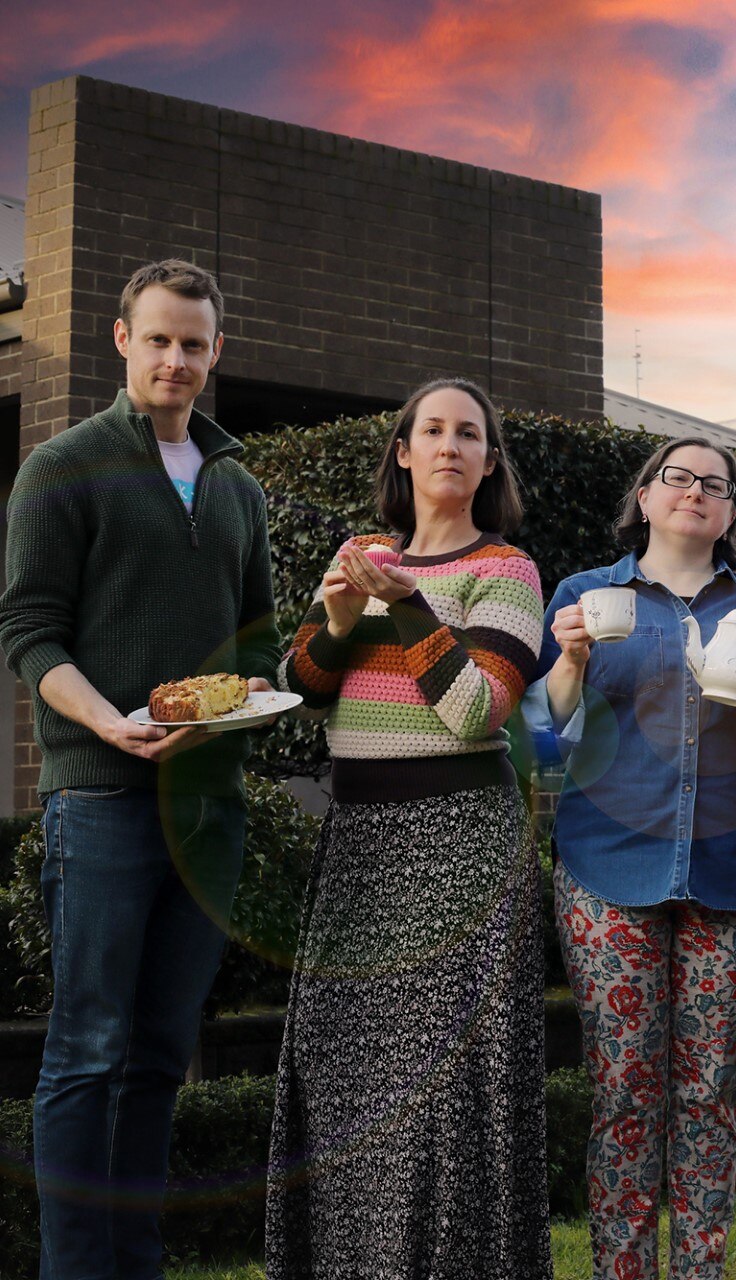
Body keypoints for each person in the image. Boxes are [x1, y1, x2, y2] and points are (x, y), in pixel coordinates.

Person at [0, 259, 277, 1277]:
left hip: (208, 810)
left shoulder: (237, 484)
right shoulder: (62, 467)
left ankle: (136, 1260)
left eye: (194, 343)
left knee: (161, 1054)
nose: (176, 359)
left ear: (215, 351)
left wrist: (226, 713)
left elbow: (257, 650)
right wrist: (108, 722)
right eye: (158, 338)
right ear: (121, 339)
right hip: (105, 800)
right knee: (86, 1053)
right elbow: (28, 629)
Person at [266, 376, 550, 1278]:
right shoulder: (360, 557)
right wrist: (343, 609)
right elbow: (302, 688)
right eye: (433, 430)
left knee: (443, 1098)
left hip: (460, 844)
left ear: (488, 462)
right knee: (343, 1078)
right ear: (403, 450)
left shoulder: (507, 572)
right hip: (359, 847)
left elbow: (475, 711)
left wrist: (405, 601)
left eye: (470, 434)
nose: (450, 446)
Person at [524, 436, 736, 1279]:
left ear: (729, 513)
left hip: (730, 871)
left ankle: (701, 1272)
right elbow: (548, 746)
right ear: (646, 497)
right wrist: (571, 662)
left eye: (715, 485)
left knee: (709, 1098)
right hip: (607, 872)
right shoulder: (585, 596)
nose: (696, 492)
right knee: (624, 1093)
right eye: (678, 478)